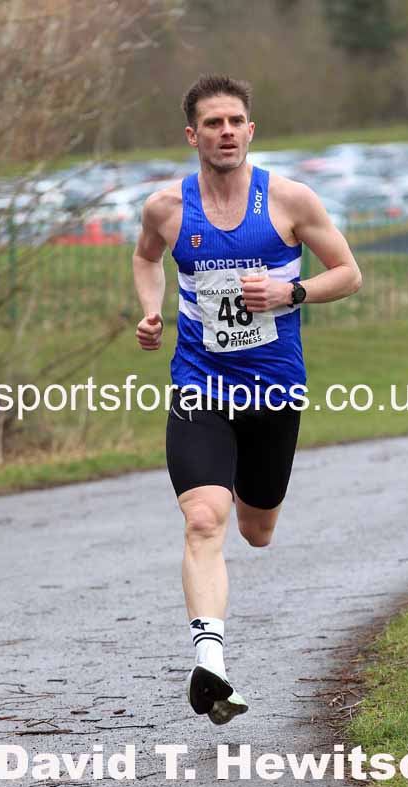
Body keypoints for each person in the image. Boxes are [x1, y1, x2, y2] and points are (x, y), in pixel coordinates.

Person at [133, 74, 362, 725]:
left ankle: (238, 487)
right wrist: (150, 310)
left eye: (235, 121)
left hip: (273, 389)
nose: (226, 132)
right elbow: (146, 258)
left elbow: (349, 273)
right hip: (199, 385)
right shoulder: (166, 208)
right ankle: (210, 662)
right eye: (213, 123)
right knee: (204, 519)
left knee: (256, 531)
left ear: (250, 130)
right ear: (193, 135)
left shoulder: (290, 201)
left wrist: (293, 293)